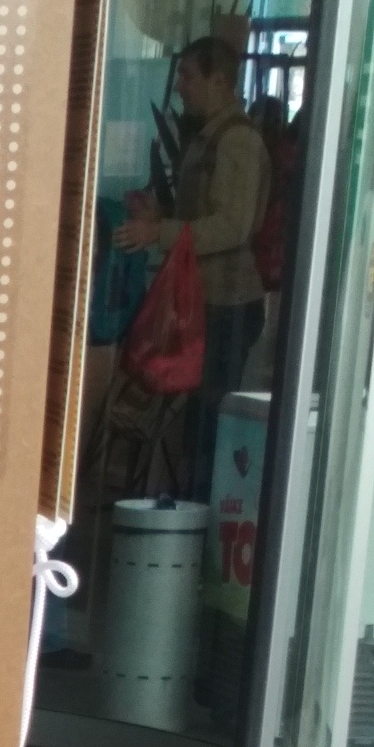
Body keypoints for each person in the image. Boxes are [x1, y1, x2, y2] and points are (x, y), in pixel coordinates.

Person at [117, 32, 271, 494]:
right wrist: (158, 217)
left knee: (209, 420)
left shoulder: (237, 141)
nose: (180, 86)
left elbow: (231, 226)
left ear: (219, 80)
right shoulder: (209, 137)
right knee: (194, 420)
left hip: (227, 303)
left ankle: (202, 511)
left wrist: (159, 232)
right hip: (205, 300)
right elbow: (204, 215)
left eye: (188, 75)